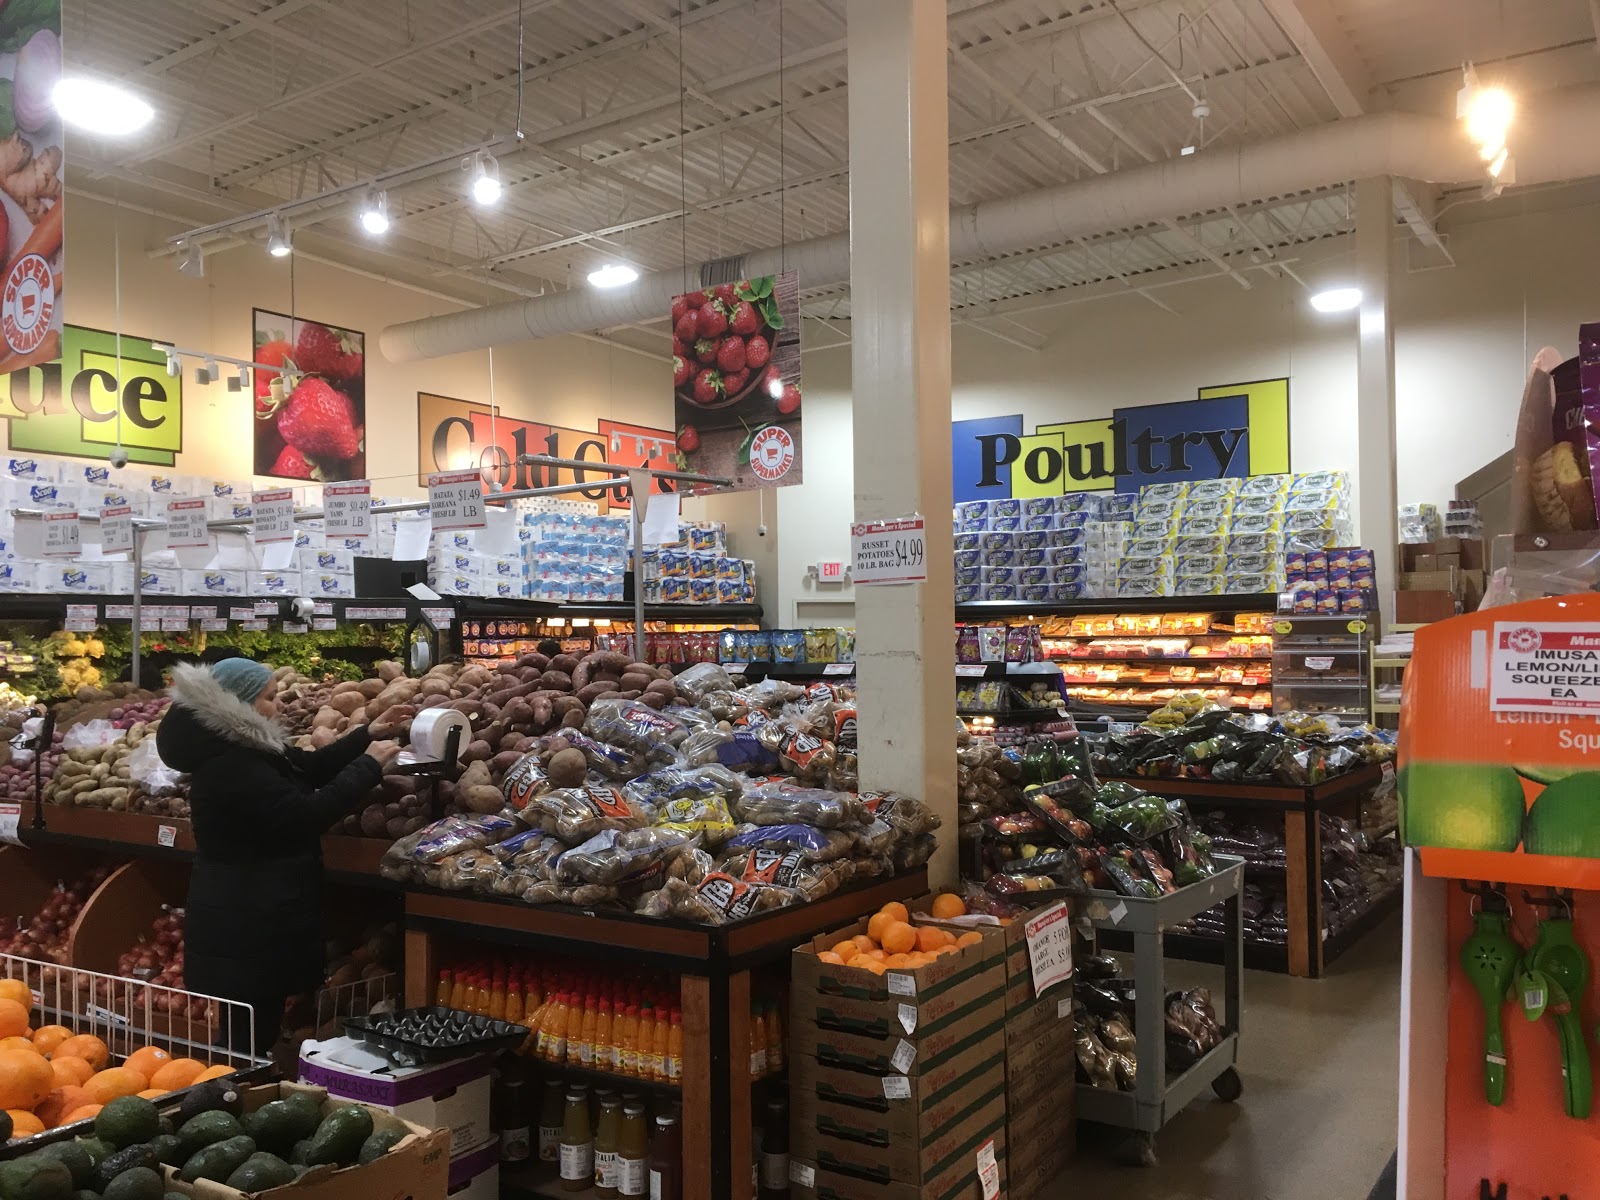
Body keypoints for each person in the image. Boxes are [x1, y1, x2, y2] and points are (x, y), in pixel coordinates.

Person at [155, 658, 401, 1054]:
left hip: (250, 913)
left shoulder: (243, 746)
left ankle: (241, 1079)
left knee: (252, 1027)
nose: (280, 704)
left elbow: (307, 767)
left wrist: (365, 736)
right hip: (247, 917)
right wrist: (369, 765)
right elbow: (304, 816)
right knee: (246, 1037)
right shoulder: (232, 764)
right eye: (271, 697)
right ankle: (235, 1086)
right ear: (239, 703)